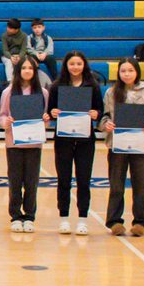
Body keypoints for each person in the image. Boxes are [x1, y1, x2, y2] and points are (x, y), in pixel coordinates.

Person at [100, 58, 144, 237]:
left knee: (140, 184)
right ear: (118, 73)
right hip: (117, 145)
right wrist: (106, 124)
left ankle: (141, 221)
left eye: (130, 71)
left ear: (137, 72)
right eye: (123, 71)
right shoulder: (111, 92)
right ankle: (114, 221)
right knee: (116, 185)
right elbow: (104, 117)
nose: (127, 74)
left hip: (141, 146)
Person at [48, 51, 103, 235]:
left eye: (79, 64)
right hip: (63, 140)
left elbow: (99, 109)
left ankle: (82, 220)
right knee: (63, 180)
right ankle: (63, 218)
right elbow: (49, 111)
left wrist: (96, 114)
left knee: (84, 180)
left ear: (84, 65)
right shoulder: (57, 86)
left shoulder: (92, 86)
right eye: (72, 64)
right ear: (66, 65)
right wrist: (53, 113)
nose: (75, 67)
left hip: (85, 141)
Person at [0, 56, 50, 232]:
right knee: (14, 181)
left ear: (35, 71)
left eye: (30, 68)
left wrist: (46, 119)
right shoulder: (9, 92)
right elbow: (2, 115)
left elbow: (46, 117)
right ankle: (15, 215)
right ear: (18, 71)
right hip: (14, 143)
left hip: (34, 144)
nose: (27, 71)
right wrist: (6, 121)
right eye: (23, 68)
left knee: (31, 181)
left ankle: (29, 215)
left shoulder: (42, 92)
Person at [27, 18, 58, 83]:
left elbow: (50, 49)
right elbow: (28, 48)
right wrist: (37, 54)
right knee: (31, 60)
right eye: (35, 28)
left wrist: (44, 54)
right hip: (34, 55)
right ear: (32, 29)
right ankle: (35, 81)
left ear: (43, 28)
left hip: (44, 55)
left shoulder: (48, 38)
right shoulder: (29, 37)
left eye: (39, 27)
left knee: (51, 60)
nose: (37, 29)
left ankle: (56, 80)